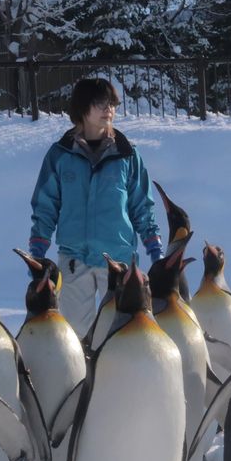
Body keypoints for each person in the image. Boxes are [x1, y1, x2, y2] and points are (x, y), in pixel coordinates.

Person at [28, 77, 163, 338]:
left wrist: (153, 245)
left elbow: (141, 204)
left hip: (118, 261)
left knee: (119, 335)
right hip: (73, 262)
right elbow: (46, 205)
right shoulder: (60, 155)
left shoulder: (127, 155)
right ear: (82, 108)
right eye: (101, 103)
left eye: (111, 104)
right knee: (76, 337)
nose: (109, 110)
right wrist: (37, 249)